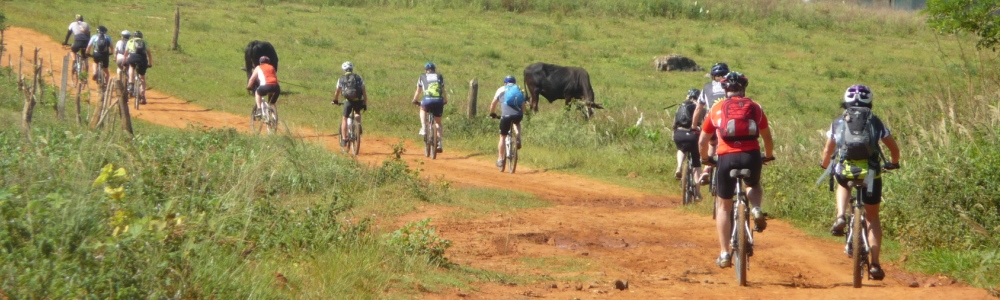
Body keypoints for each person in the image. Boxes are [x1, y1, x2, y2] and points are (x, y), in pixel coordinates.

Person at [819, 84, 901, 280]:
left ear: (846, 101)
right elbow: (893, 148)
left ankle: (840, 216)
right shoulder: (875, 122)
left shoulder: (838, 121)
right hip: (871, 173)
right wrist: (893, 163)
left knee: (842, 182)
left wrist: (824, 165)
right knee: (873, 218)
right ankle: (875, 264)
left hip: (847, 170)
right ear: (869, 101)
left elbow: (828, 151)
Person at [698, 71, 775, 269]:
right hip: (751, 155)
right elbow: (767, 137)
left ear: (725, 89)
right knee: (753, 184)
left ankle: (724, 253)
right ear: (743, 88)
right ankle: (756, 207)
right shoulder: (755, 107)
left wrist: (706, 159)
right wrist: (767, 155)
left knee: (723, 205)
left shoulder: (716, 108)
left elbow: (702, 140)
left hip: (726, 157)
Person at [693, 62, 731, 185]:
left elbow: (698, 109)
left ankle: (706, 169)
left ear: (713, 76)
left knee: (712, 143)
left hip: (712, 121)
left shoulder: (707, 88)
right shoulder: (731, 87)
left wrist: (694, 126)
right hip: (729, 122)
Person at [488, 75, 526, 168]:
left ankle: (500, 159)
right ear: (514, 82)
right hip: (518, 115)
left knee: (502, 137)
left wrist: (492, 113)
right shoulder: (518, 90)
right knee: (516, 123)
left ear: (505, 82)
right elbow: (523, 106)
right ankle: (517, 136)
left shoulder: (501, 89)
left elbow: (493, 103)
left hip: (506, 116)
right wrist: (521, 113)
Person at [411, 62, 447, 153]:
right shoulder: (439, 76)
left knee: (422, 108)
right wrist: (445, 100)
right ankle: (439, 143)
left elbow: (418, 91)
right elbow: (443, 90)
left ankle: (423, 127)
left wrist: (415, 100)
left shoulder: (422, 77)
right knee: (438, 123)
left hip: (427, 100)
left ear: (426, 70)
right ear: (435, 69)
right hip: (439, 101)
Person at [332, 61, 369, 147]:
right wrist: (364, 103)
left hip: (348, 101)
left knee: (344, 118)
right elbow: (363, 91)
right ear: (352, 69)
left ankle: (344, 139)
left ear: (344, 70)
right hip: (358, 100)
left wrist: (335, 100)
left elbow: (337, 91)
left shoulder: (341, 79)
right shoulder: (358, 77)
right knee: (357, 112)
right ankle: (358, 125)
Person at [673, 88, 702, 180]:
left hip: (679, 134)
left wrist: (674, 134)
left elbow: (674, 123)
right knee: (696, 162)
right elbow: (701, 123)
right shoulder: (698, 106)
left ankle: (679, 166)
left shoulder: (680, 106)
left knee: (681, 149)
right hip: (693, 135)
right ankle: (697, 192)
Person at [124, 31, 153, 102]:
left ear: (133, 36)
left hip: (133, 57)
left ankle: (131, 83)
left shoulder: (130, 41)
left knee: (131, 67)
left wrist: (124, 62)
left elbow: (126, 53)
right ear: (141, 37)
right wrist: (150, 63)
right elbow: (149, 54)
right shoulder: (144, 42)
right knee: (142, 77)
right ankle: (142, 96)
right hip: (142, 58)